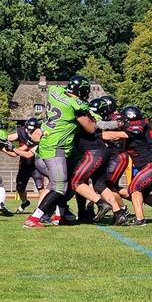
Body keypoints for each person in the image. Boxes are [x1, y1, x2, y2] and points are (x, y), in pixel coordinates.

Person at [23, 75, 99, 228]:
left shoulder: (54, 91)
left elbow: (55, 89)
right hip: (56, 147)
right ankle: (34, 219)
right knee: (59, 187)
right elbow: (91, 128)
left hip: (50, 143)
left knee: (66, 183)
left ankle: (62, 214)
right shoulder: (75, 104)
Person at [102, 106, 152, 226]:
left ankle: (140, 219)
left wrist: (97, 133)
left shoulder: (137, 126)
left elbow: (116, 135)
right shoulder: (138, 125)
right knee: (137, 193)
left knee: (134, 188)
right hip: (151, 164)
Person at [71, 97, 127, 225]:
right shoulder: (98, 119)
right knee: (100, 185)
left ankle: (101, 204)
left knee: (75, 182)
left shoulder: (86, 118)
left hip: (92, 153)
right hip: (102, 152)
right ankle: (118, 213)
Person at [5, 118, 46, 213]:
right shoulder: (21, 132)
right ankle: (25, 202)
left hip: (36, 166)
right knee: (20, 187)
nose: (29, 132)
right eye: (28, 129)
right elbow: (7, 138)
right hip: (24, 165)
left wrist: (14, 149)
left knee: (40, 187)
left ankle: (40, 208)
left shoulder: (40, 136)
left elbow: (27, 153)